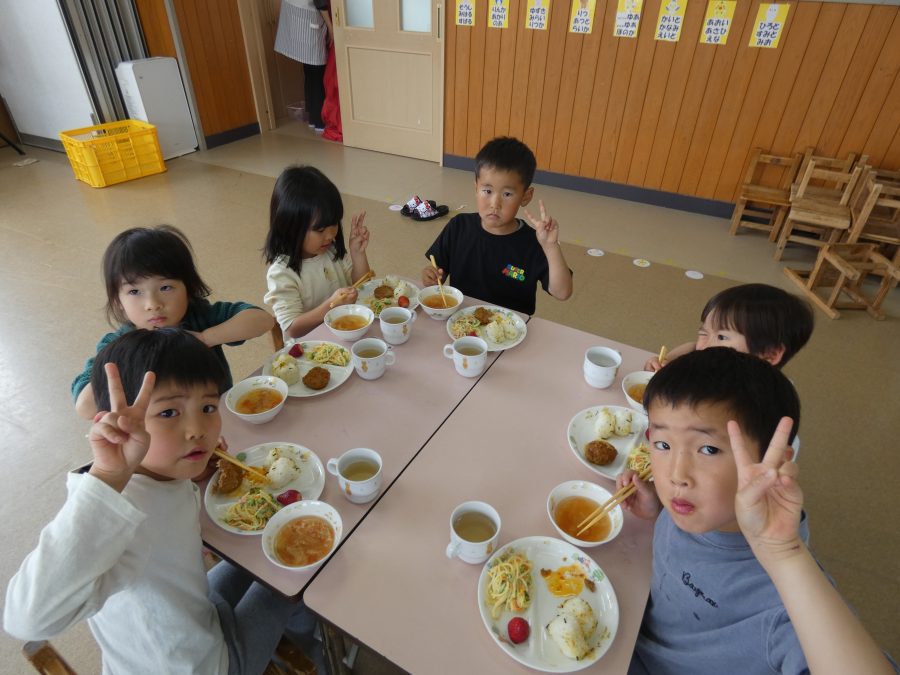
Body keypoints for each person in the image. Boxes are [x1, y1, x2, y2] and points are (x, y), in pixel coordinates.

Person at [6, 329, 320, 675]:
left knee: (271, 552)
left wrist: (193, 475)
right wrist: (107, 476)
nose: (197, 429)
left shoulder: (161, 474)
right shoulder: (110, 508)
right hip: (198, 667)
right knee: (301, 573)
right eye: (169, 413)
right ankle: (319, 658)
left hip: (196, 617)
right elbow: (26, 619)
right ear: (115, 423)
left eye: (208, 407)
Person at [618, 348, 896, 675]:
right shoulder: (699, 507)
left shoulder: (778, 598)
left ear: (771, 464)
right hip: (630, 636)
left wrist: (785, 555)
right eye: (663, 444)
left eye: (708, 449)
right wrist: (656, 511)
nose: (677, 474)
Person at [72, 225, 274, 420]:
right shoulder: (117, 345)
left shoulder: (199, 318)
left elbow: (262, 320)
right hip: (157, 436)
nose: (153, 304)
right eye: (134, 291)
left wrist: (205, 338)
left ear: (188, 288)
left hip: (215, 418)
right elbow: (86, 408)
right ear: (118, 301)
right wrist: (125, 360)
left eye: (165, 287)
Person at [422, 136, 573, 315]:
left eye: (507, 194)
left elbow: (562, 292)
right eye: (487, 191)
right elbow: (438, 273)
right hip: (462, 321)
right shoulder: (459, 227)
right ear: (476, 188)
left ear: (526, 196)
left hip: (510, 327)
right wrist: (431, 276)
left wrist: (551, 247)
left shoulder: (533, 242)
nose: (495, 204)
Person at [264, 165, 371, 339]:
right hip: (311, 348)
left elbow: (363, 287)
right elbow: (292, 328)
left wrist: (357, 253)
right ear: (290, 227)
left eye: (334, 224)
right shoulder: (282, 273)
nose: (330, 235)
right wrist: (331, 306)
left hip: (345, 333)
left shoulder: (331, 251)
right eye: (320, 230)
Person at [645, 283, 814, 371]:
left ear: (769, 354)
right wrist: (667, 362)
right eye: (703, 333)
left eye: (721, 337)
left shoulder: (751, 401)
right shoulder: (708, 359)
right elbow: (692, 347)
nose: (705, 346)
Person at [274, 0, 330, 131]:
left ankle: (313, 119)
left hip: (300, 19)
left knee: (310, 73)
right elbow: (321, 3)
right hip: (308, 20)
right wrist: (331, 28)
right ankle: (319, 122)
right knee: (317, 75)